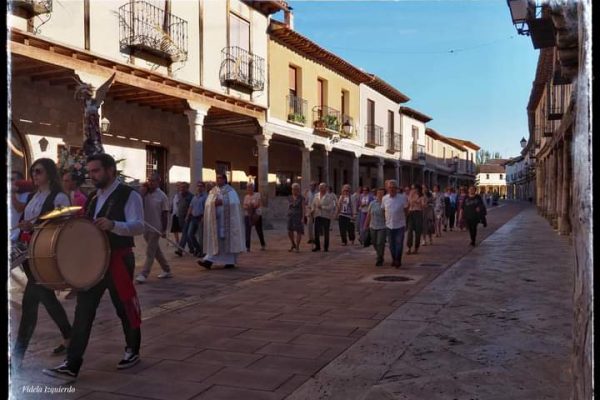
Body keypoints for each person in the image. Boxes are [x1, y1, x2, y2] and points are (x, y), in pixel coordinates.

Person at [44, 153, 145, 381]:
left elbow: (139, 226)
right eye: (90, 172)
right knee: (84, 311)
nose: (92, 175)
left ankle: (132, 350)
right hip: (94, 262)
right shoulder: (92, 198)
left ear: (110, 170)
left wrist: (114, 224)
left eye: (96, 171)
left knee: (124, 306)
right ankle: (72, 363)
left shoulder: (129, 195)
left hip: (119, 259)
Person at [13, 159, 72, 371]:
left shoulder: (59, 196)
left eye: (38, 171)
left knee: (30, 304)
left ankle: (17, 357)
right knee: (46, 298)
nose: (35, 175)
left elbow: (65, 224)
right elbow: (25, 216)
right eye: (33, 172)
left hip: (45, 256)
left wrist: (35, 224)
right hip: (31, 255)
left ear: (49, 173)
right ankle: (69, 335)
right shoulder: (33, 196)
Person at [198, 173, 246, 269]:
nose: (218, 180)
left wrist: (223, 202)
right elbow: (208, 204)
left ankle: (229, 261)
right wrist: (212, 204)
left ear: (225, 180)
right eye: (217, 178)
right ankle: (209, 261)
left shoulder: (231, 191)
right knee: (216, 241)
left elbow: (235, 204)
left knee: (228, 241)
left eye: (220, 178)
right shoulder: (213, 191)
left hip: (228, 222)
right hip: (216, 222)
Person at [136, 173, 172, 283]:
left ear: (158, 182)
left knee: (150, 252)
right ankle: (167, 269)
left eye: (153, 181)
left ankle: (144, 274)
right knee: (156, 251)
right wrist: (142, 191)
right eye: (149, 180)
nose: (150, 182)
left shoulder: (162, 196)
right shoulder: (145, 193)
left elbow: (165, 214)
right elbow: (136, 202)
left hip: (156, 228)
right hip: (145, 226)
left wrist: (164, 230)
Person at [62, 171, 89, 299]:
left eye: (67, 180)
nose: (64, 183)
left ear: (74, 182)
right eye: (64, 180)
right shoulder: (66, 195)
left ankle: (77, 286)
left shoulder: (80, 198)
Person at [381, 180, 407, 267]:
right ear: (387, 189)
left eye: (393, 188)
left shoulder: (402, 198)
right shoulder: (384, 198)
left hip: (400, 224)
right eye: (390, 188)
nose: (391, 189)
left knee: (399, 243)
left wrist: (404, 220)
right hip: (389, 225)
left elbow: (406, 210)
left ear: (396, 189)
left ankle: (398, 260)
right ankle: (394, 258)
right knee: (391, 244)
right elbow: (383, 210)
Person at [311, 182, 336, 252]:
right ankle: (317, 246)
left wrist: (322, 207)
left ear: (326, 188)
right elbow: (313, 204)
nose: (321, 188)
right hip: (317, 215)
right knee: (316, 232)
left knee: (326, 232)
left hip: (326, 216)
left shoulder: (329, 196)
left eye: (322, 187)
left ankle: (326, 247)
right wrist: (312, 210)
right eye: (320, 187)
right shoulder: (316, 195)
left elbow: (331, 207)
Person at [364, 187, 386, 267]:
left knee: (380, 242)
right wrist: (365, 225)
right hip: (372, 226)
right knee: (374, 243)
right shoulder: (372, 203)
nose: (380, 195)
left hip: (382, 226)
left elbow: (387, 216)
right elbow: (369, 215)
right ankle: (379, 254)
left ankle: (379, 258)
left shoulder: (385, 203)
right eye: (378, 193)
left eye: (382, 194)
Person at [185, 181, 207, 257]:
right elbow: (191, 206)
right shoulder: (195, 196)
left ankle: (202, 252)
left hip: (200, 217)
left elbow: (206, 209)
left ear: (204, 188)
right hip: (193, 218)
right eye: (198, 186)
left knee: (201, 236)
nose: (199, 187)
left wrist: (204, 217)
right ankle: (198, 248)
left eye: (201, 186)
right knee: (190, 234)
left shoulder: (205, 197)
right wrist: (187, 215)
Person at [243, 183, 266, 252]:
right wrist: (249, 207)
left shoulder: (257, 194)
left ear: (253, 188)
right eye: (248, 188)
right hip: (248, 215)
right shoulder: (246, 197)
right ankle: (247, 247)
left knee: (259, 230)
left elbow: (258, 204)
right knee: (247, 231)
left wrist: (251, 206)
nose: (249, 189)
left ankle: (263, 244)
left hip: (256, 215)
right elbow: (244, 206)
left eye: (251, 187)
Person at [406, 185, 427, 255]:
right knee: (409, 231)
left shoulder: (422, 196)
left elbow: (424, 206)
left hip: (418, 213)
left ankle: (416, 248)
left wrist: (417, 202)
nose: (413, 190)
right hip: (411, 213)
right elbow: (408, 204)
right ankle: (409, 247)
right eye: (412, 188)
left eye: (414, 188)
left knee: (418, 232)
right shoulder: (410, 195)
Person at [174, 182, 194, 256]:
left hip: (187, 218)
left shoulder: (191, 196)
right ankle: (192, 249)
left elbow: (191, 207)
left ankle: (180, 250)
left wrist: (188, 216)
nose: (182, 189)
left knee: (185, 234)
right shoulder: (179, 195)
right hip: (180, 217)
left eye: (184, 187)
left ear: (187, 188)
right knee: (185, 234)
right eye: (181, 187)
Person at [10, 171, 30, 243]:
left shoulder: (27, 194)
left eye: (12, 179)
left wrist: (11, 193)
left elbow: (19, 208)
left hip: (16, 235)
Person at [287, 183, 305, 252]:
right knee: (289, 231)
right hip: (290, 216)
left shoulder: (301, 198)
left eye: (296, 189)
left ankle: (297, 246)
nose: (294, 191)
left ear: (299, 190)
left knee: (299, 231)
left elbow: (303, 208)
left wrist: (303, 217)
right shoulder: (290, 197)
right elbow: (289, 206)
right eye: (293, 189)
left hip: (298, 216)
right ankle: (293, 244)